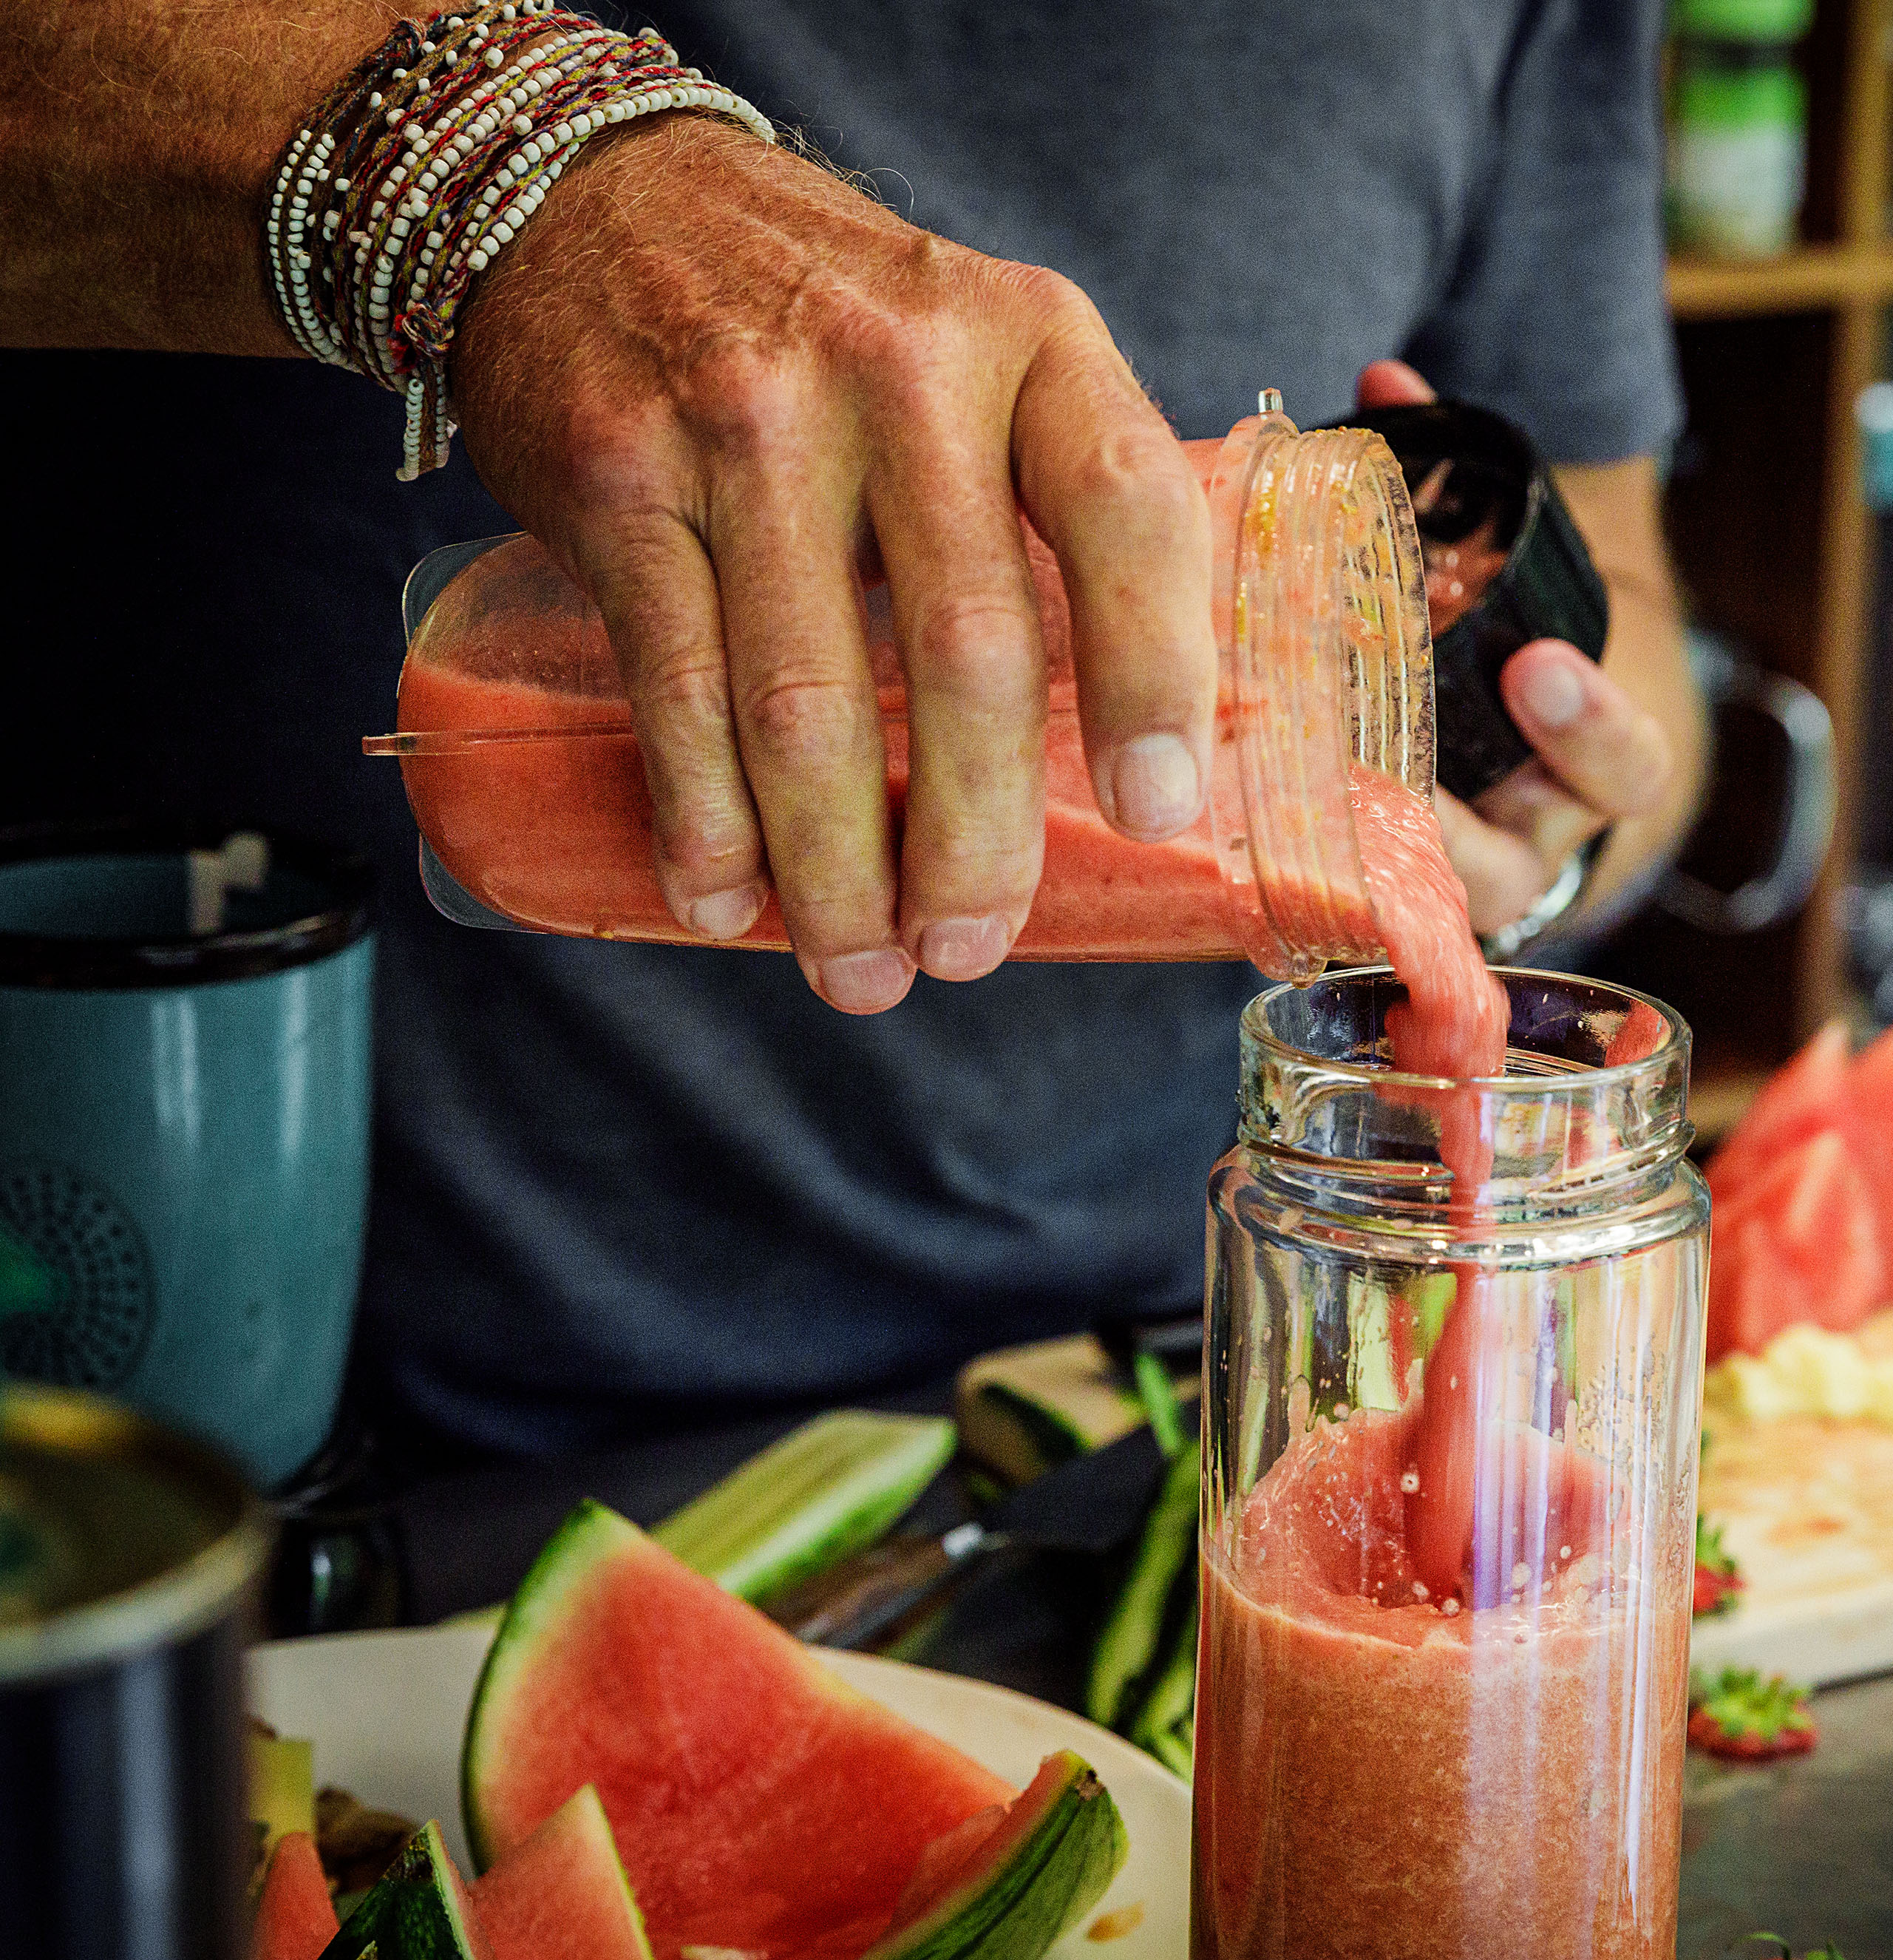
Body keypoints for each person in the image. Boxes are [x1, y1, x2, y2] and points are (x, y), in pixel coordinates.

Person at [0, 1, 1706, 1462]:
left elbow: (1622, 574)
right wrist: (496, 167)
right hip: (293, 1369)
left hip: (1164, 1378)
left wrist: (1551, 817)